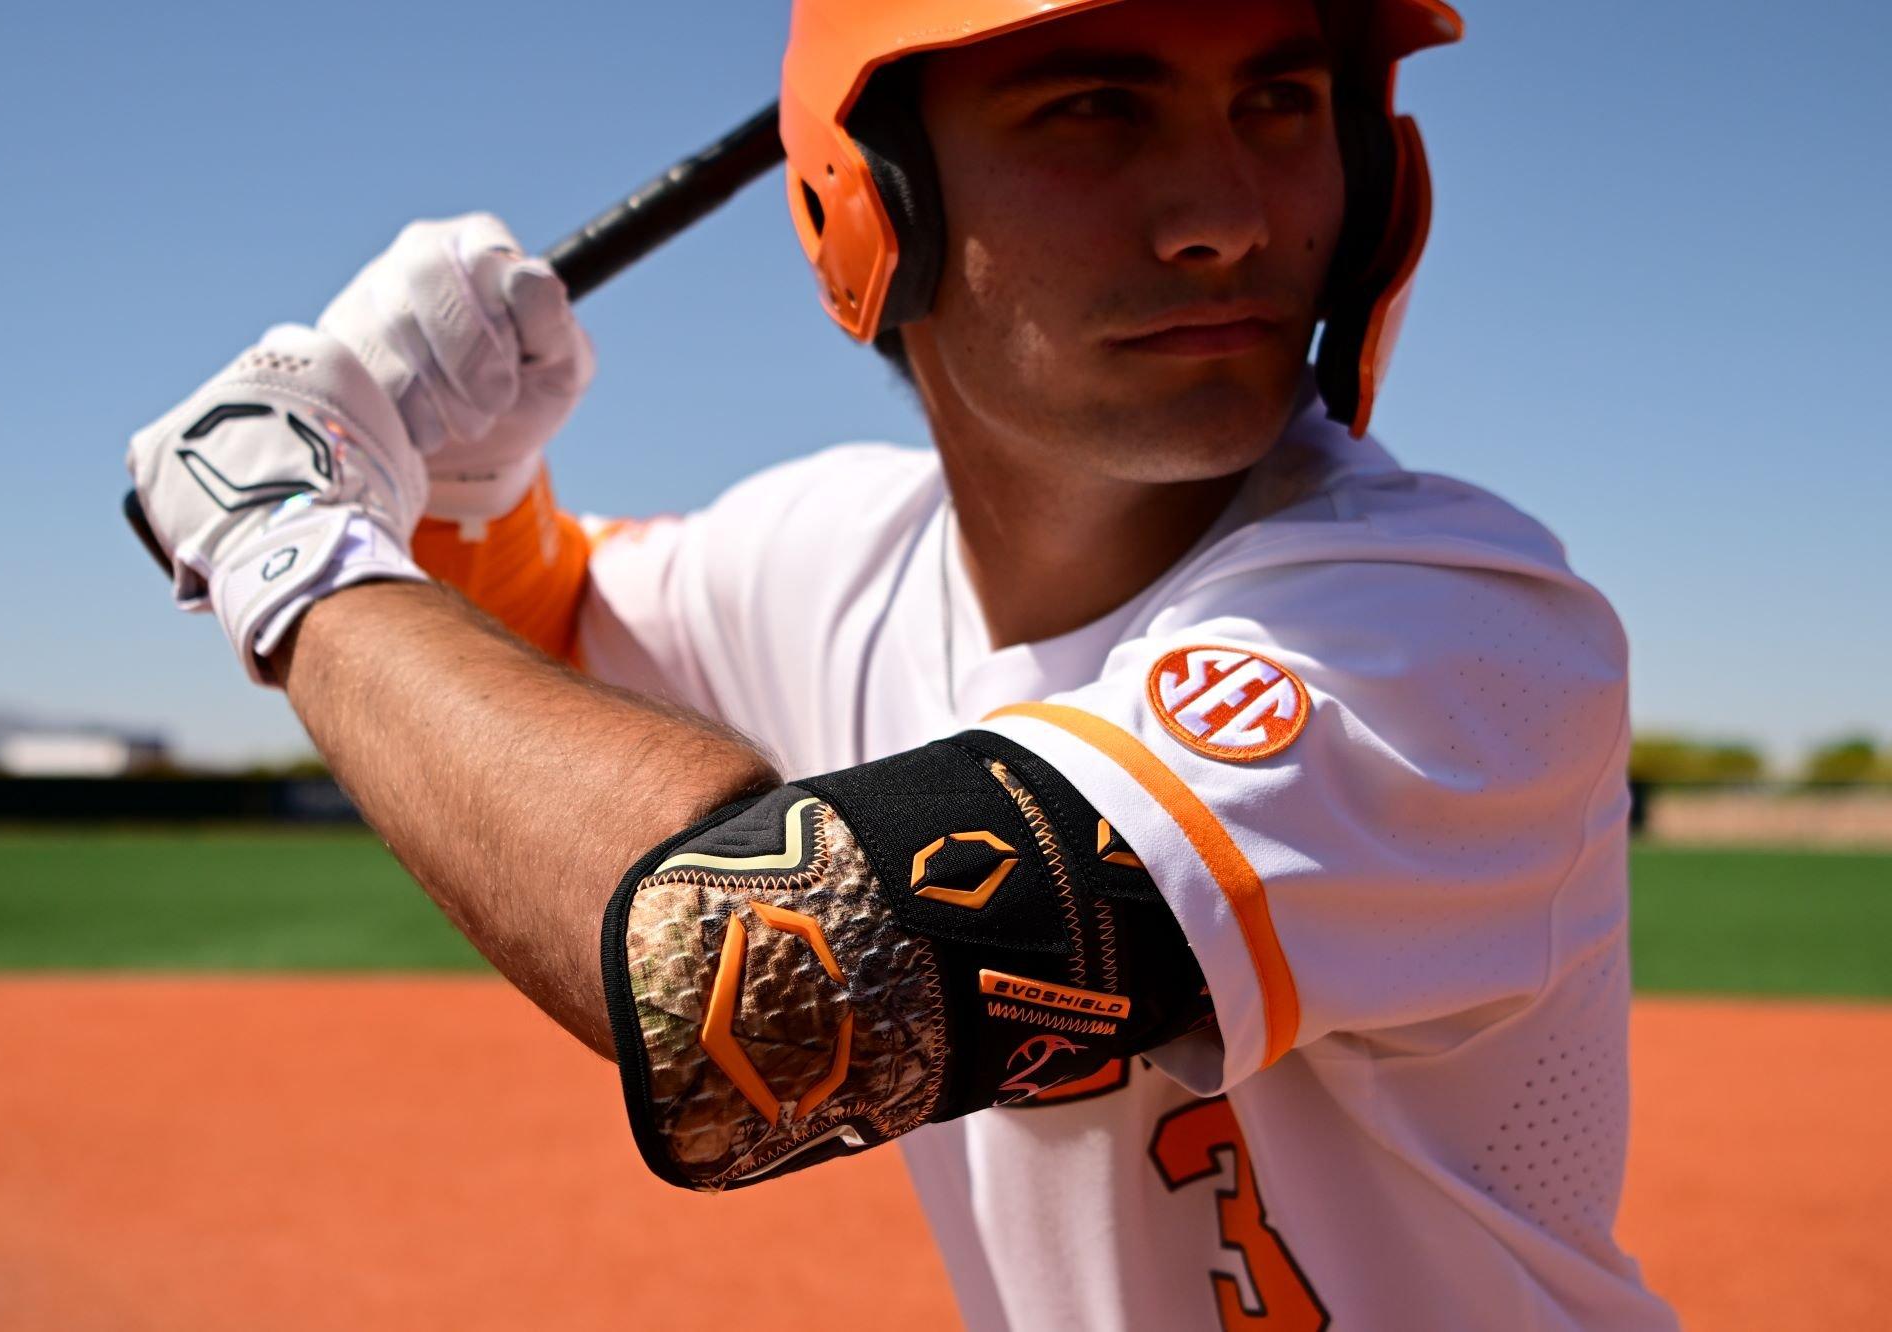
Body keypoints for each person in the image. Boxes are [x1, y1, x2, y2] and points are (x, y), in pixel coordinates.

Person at [124, 0, 1679, 1325]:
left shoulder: (1440, 636)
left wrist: (293, 555)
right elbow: (531, 664)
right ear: (873, 206)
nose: (1227, 213)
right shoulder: (834, 551)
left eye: (1281, 101)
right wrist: (466, 499)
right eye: (1094, 110)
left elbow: (734, 992)